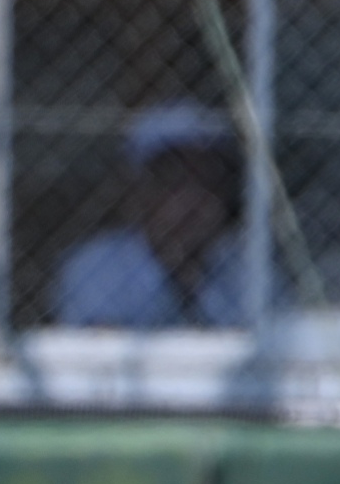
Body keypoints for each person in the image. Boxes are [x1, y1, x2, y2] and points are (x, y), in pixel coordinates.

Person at [54, 102, 250, 328]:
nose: (193, 198)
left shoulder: (248, 267)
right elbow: (100, 345)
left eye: (208, 180)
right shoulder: (95, 266)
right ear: (139, 191)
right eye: (174, 180)